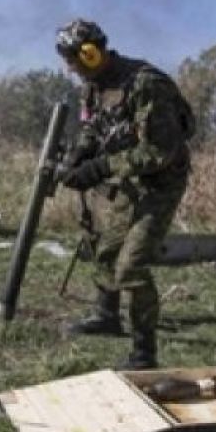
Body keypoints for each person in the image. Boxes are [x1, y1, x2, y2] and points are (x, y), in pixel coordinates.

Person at [55, 19, 194, 370]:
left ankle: (144, 353)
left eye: (72, 61)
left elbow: (160, 151)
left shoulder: (146, 84)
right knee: (105, 249)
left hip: (160, 182)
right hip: (128, 178)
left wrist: (100, 168)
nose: (70, 69)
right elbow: (93, 126)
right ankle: (106, 315)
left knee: (131, 265)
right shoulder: (93, 85)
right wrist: (79, 154)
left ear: (90, 53)